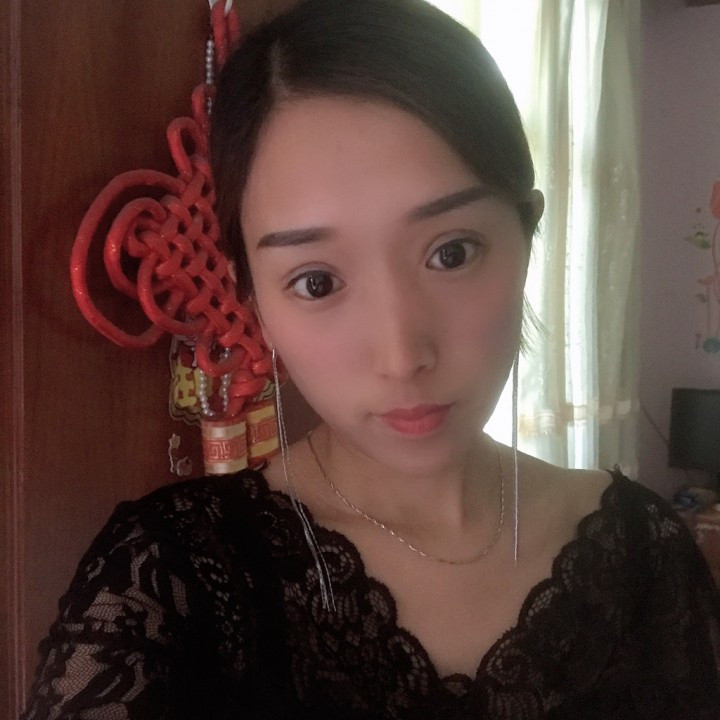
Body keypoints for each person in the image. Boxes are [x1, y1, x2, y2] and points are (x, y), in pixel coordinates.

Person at [21, 0, 720, 717]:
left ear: (527, 235)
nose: (401, 355)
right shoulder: (166, 585)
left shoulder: (647, 555)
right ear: (251, 295)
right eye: (316, 282)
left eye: (452, 252)